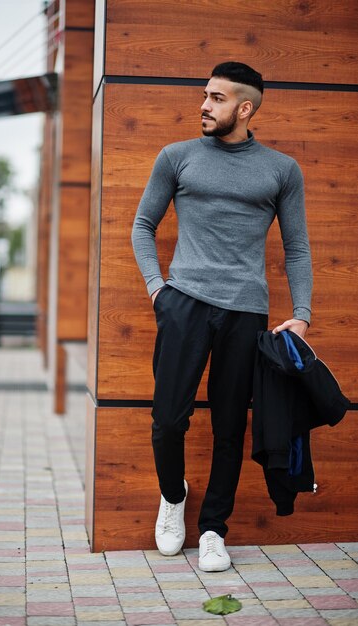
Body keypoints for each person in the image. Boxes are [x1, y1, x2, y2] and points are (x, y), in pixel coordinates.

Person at [131, 61, 312, 572]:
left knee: (232, 426)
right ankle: (173, 496)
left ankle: (213, 528)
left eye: (215, 97)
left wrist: (302, 314)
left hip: (246, 311)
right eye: (204, 95)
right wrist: (157, 291)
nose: (203, 105)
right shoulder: (177, 157)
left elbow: (296, 249)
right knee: (168, 420)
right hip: (184, 302)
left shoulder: (281, 169)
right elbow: (143, 225)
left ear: (245, 107)